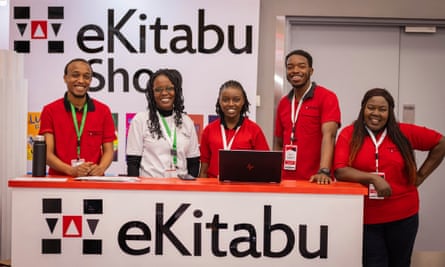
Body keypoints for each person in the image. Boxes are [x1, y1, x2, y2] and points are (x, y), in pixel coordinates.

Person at [333, 88, 445, 267]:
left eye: (382, 109)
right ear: (363, 108)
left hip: (403, 216)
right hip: (366, 217)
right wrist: (373, 178)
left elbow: (440, 142)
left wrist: (421, 175)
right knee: (374, 263)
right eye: (371, 107)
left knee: (400, 263)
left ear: (390, 112)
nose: (375, 113)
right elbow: (340, 170)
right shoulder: (349, 133)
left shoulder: (404, 133)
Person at [39, 58, 116, 177]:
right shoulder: (50, 110)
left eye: (86, 76)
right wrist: (71, 170)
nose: (81, 80)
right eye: (75, 75)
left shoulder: (103, 111)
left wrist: (100, 168)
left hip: (93, 180)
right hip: (59, 181)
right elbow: (47, 154)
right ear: (65, 78)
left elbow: (109, 151)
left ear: (90, 80)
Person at [274, 49, 341, 184]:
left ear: (311, 71)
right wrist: (276, 172)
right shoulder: (283, 103)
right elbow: (279, 142)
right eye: (290, 67)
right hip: (286, 181)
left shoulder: (327, 97)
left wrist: (324, 171)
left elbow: (330, 136)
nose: (295, 70)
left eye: (302, 66)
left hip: (316, 180)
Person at [126, 68, 200, 178]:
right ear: (151, 93)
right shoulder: (140, 120)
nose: (164, 93)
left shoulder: (187, 122)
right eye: (158, 89)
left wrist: (187, 190)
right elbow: (133, 163)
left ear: (176, 91)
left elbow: (193, 163)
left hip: (180, 189)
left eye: (169, 88)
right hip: (150, 188)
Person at [199, 80, 270, 178]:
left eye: (236, 99)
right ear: (219, 101)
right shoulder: (209, 130)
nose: (231, 104)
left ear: (243, 101)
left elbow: (265, 165)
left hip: (243, 189)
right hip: (214, 189)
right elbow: (203, 170)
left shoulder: (254, 130)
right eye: (225, 99)